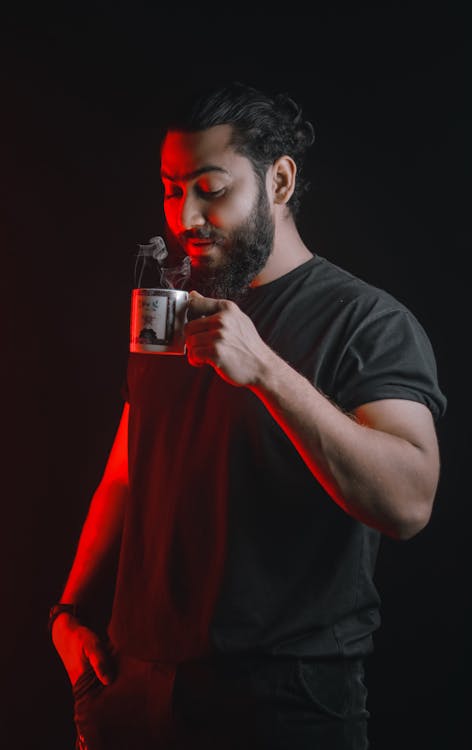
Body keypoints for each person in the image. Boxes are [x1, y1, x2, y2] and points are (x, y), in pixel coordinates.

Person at [50, 81, 447, 750]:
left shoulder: (368, 322)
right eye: (173, 190)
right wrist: (68, 614)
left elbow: (408, 501)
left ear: (280, 181)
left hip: (281, 701)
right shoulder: (167, 310)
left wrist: (264, 370)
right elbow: (127, 473)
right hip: (130, 688)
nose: (186, 216)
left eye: (211, 187)